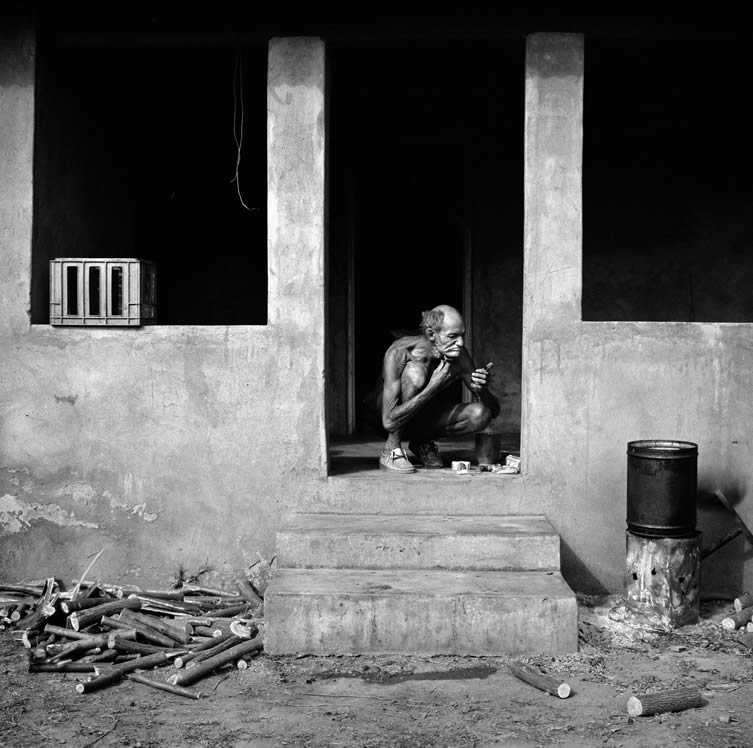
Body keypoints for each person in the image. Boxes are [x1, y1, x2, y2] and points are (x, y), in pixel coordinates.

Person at [370, 304, 501, 473]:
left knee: (479, 414)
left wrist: (482, 389)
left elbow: (492, 412)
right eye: (452, 336)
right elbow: (388, 422)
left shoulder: (459, 354)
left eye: (462, 336)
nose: (460, 343)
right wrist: (433, 386)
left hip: (419, 418)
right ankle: (391, 450)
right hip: (383, 419)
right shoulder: (401, 352)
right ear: (431, 334)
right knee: (415, 372)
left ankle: (421, 442)